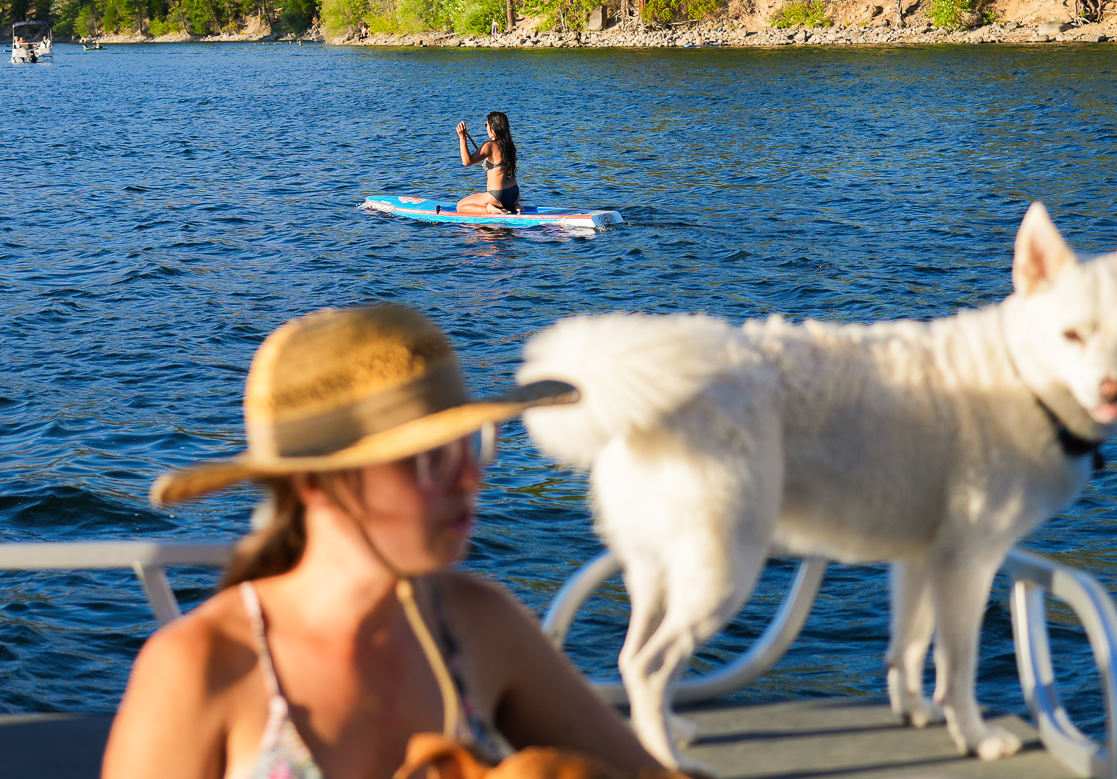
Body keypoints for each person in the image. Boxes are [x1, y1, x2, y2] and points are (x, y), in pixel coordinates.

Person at [103, 304, 708, 779]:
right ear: (315, 483)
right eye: (429, 459)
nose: (471, 478)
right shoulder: (201, 666)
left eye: (472, 446)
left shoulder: (480, 624)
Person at [454, 112, 519, 215]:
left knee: (460, 206)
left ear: (493, 128)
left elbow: (467, 162)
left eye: (486, 125)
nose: (486, 127)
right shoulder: (510, 145)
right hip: (515, 195)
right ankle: (514, 206)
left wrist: (462, 137)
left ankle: (489, 209)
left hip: (498, 196)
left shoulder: (489, 145)